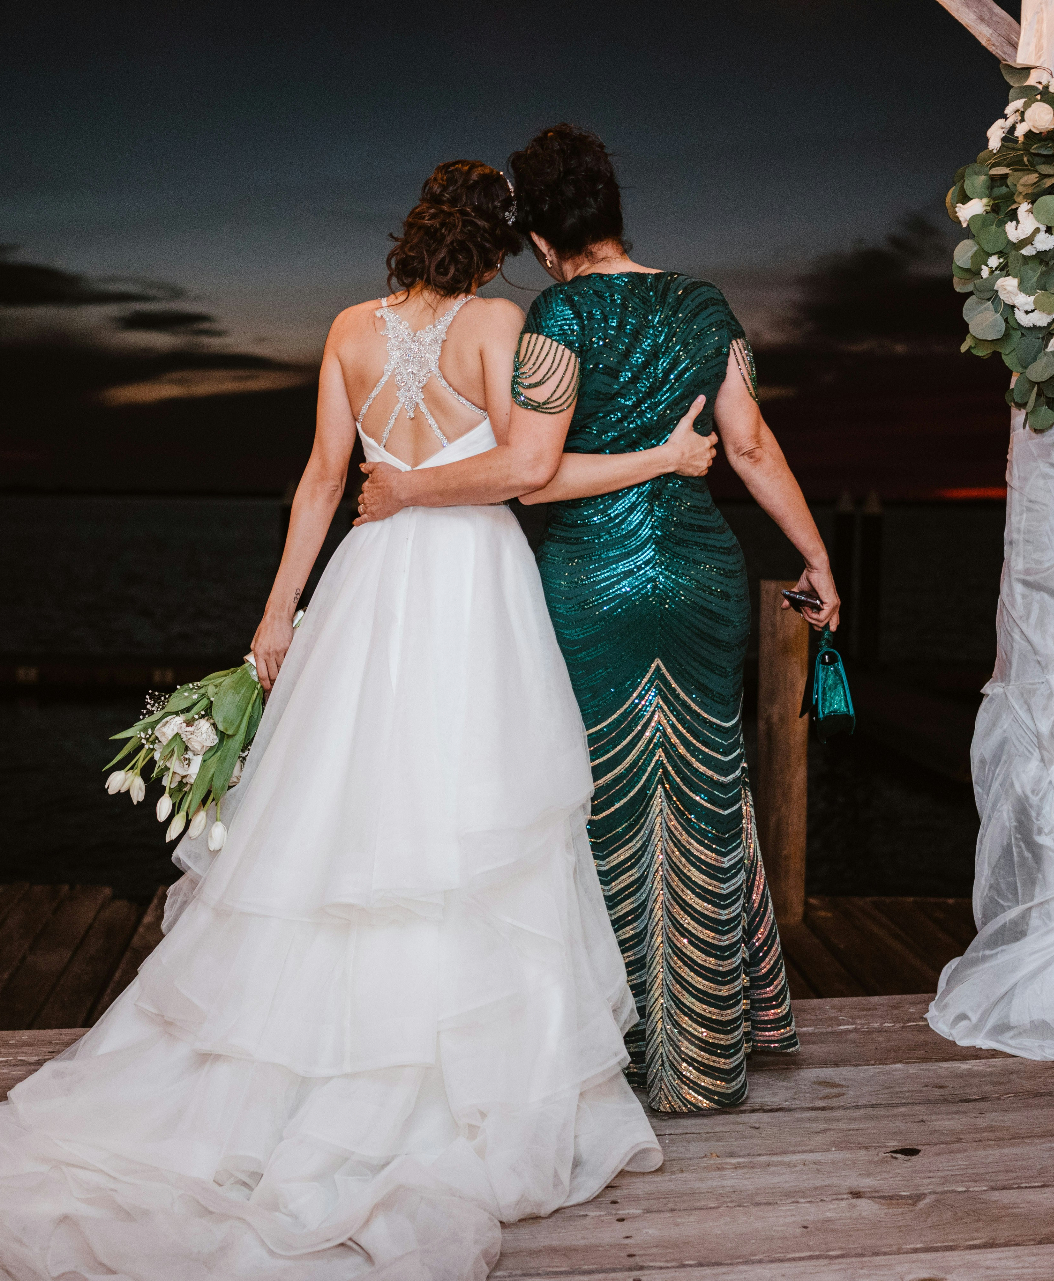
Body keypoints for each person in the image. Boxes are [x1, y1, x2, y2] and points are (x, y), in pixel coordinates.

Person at [0, 159, 715, 1281]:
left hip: (369, 581)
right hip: (471, 587)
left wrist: (276, 619)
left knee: (343, 816)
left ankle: (310, 1066)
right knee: (464, 815)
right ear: (497, 246)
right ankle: (451, 1079)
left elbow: (319, 484)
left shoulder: (347, 330)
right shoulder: (503, 325)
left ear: (413, 231)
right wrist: (667, 457)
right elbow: (524, 472)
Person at [354, 125, 841, 1114]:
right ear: (616, 214)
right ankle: (708, 1056)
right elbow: (750, 447)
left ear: (539, 242)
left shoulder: (556, 321)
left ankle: (611, 1051)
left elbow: (528, 474)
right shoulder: (705, 305)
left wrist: (407, 490)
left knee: (590, 808)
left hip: (592, 585)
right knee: (705, 800)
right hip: (702, 575)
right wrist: (817, 555)